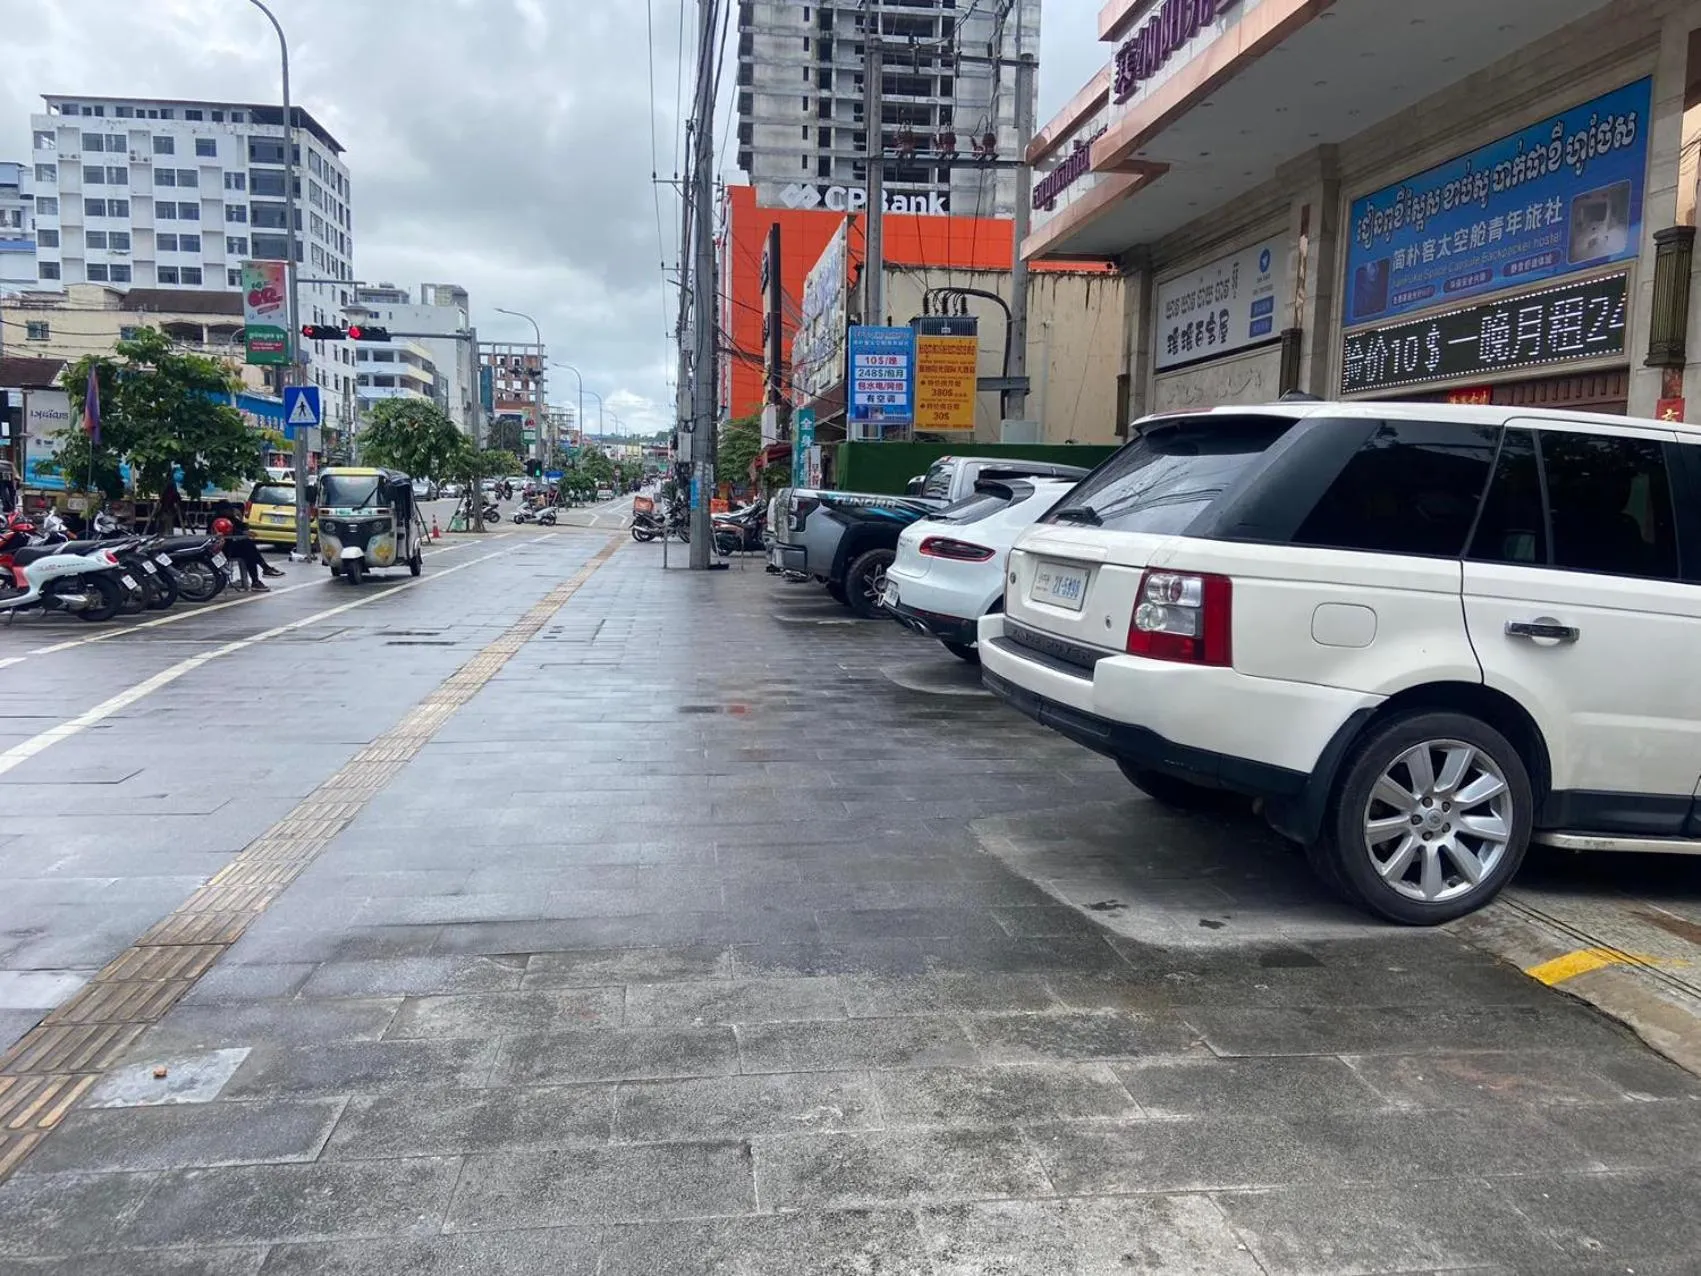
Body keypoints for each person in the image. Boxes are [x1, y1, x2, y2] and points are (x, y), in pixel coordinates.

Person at [209, 500, 282, 591]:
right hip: (222, 550)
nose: (231, 511)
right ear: (223, 510)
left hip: (231, 547)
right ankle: (263, 570)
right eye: (229, 510)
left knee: (248, 552)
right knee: (247, 546)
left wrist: (239, 517)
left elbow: (243, 526)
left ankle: (258, 578)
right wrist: (242, 532)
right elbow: (231, 532)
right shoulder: (218, 520)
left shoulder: (231, 518)